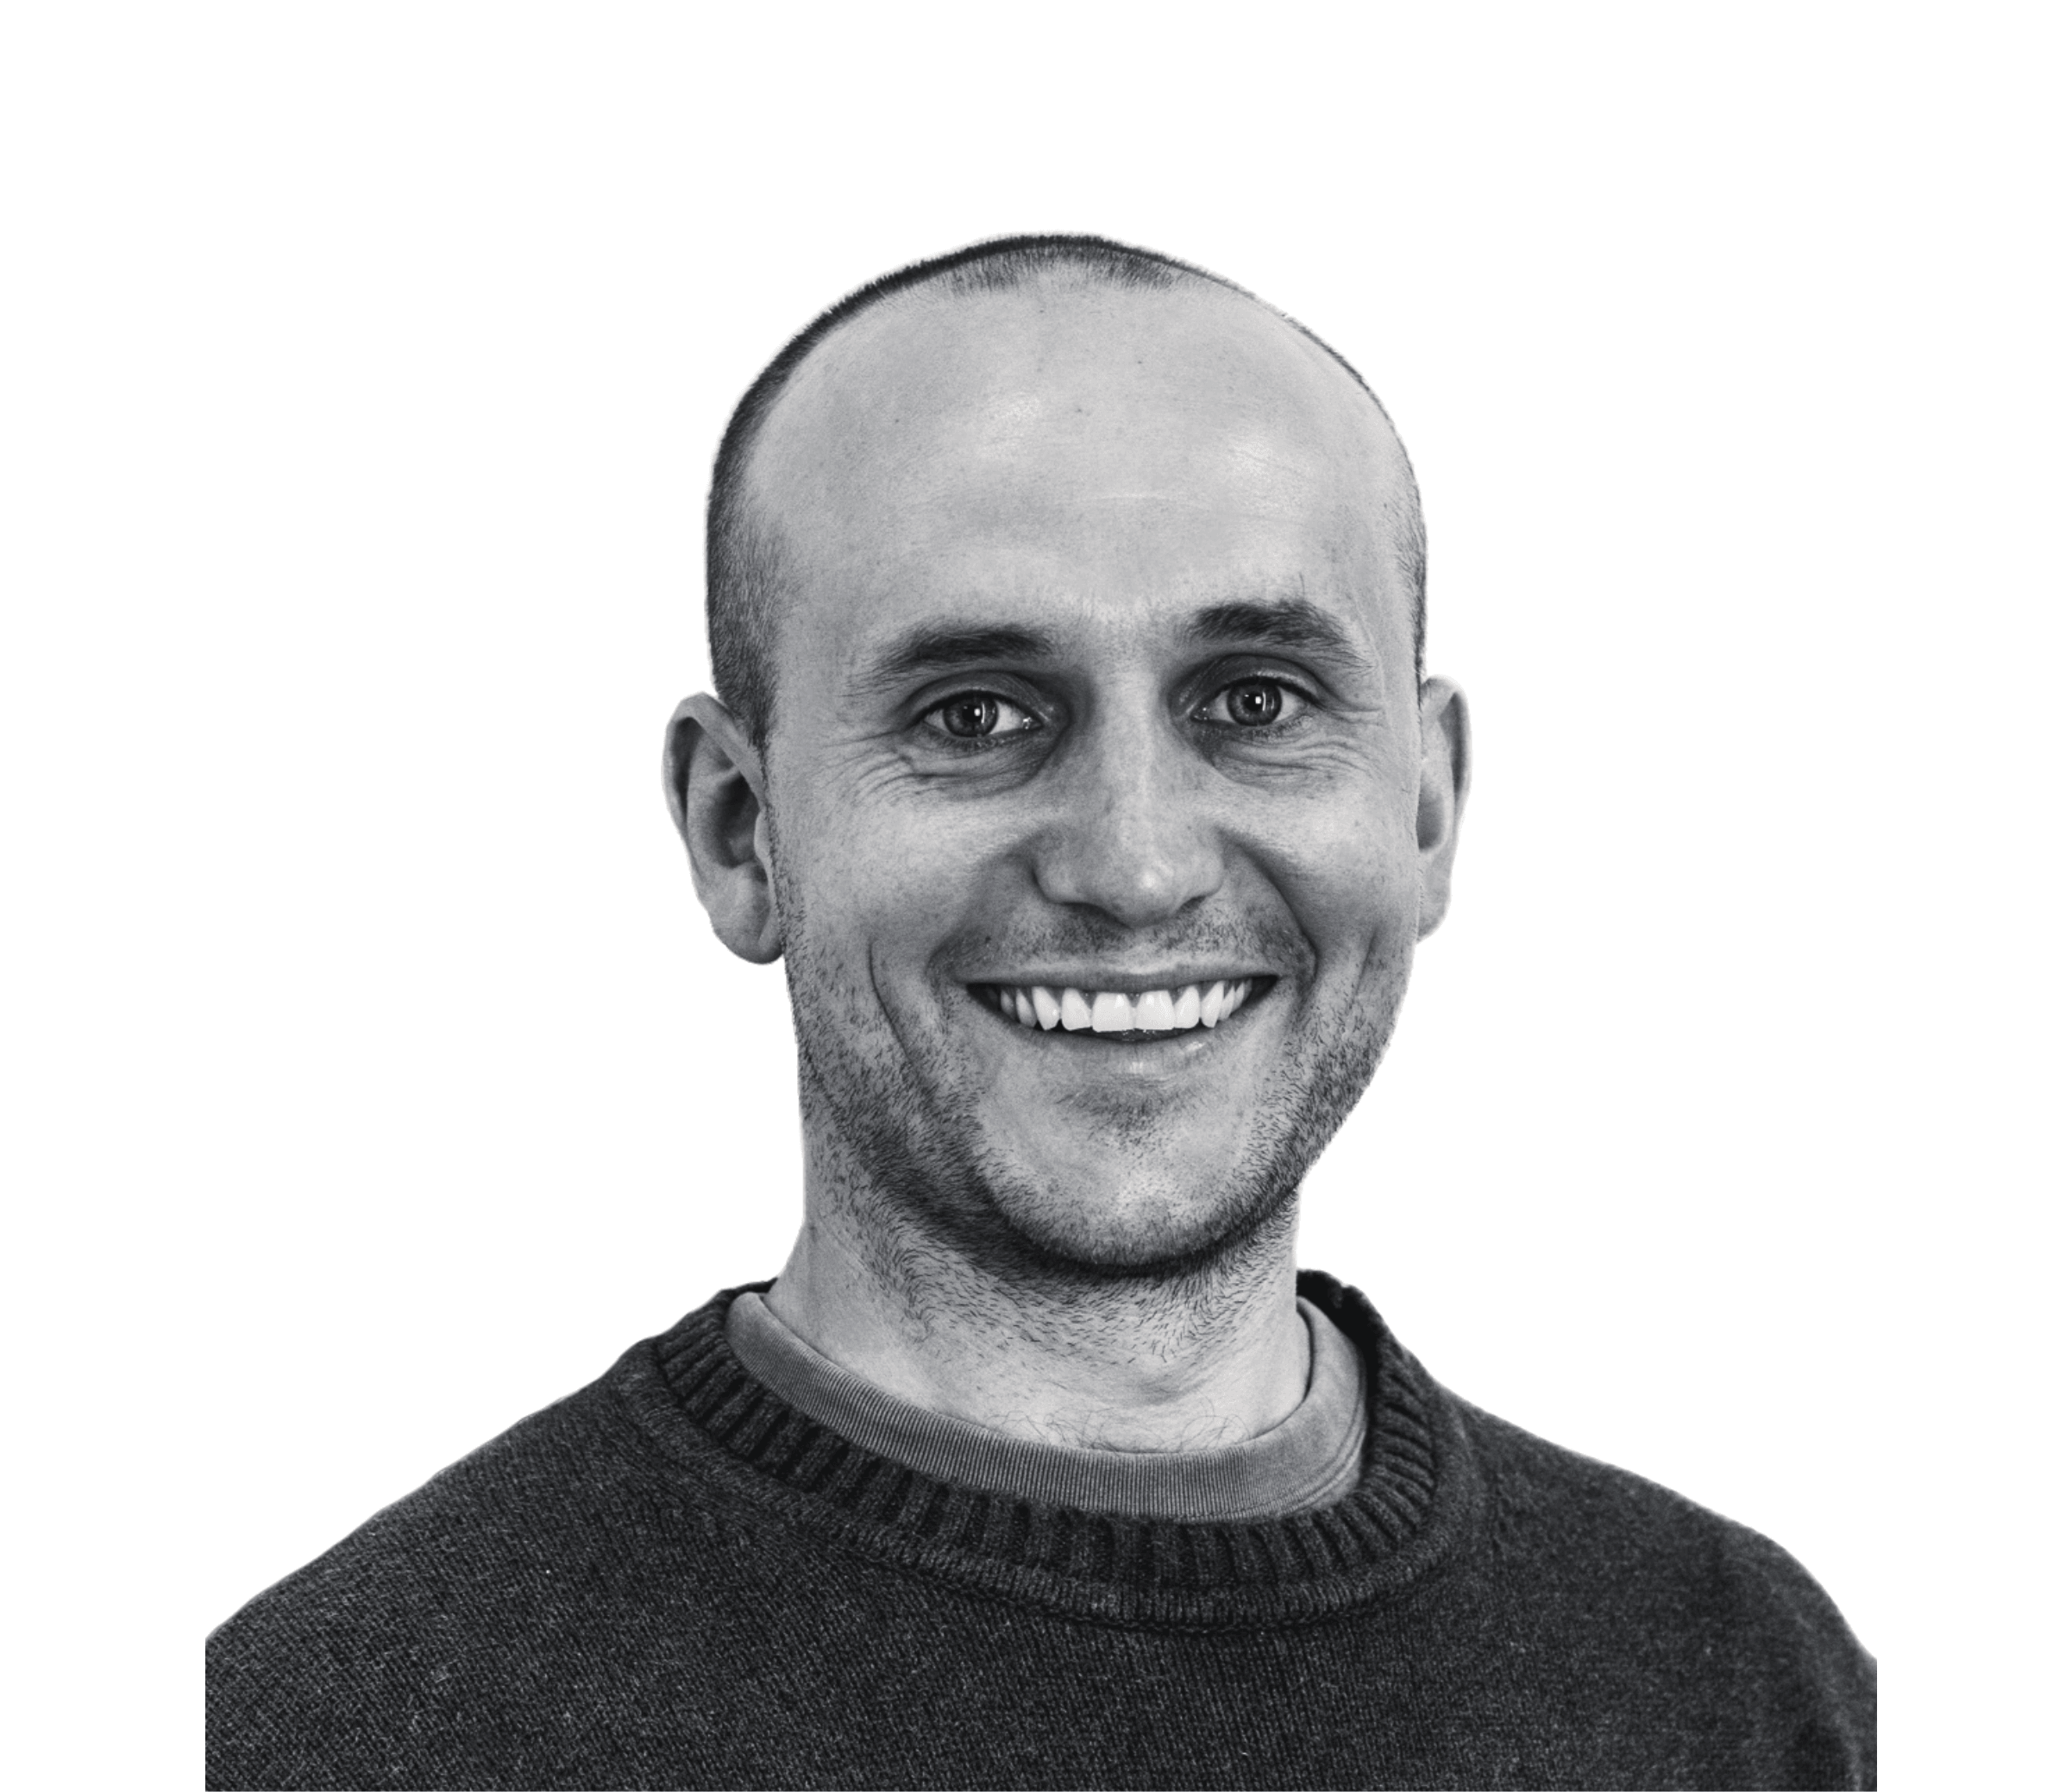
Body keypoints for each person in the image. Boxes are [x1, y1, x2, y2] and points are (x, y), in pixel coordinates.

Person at [207, 236, 1876, 1789]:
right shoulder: (322, 1736)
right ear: (738, 830)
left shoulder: (1750, 1690)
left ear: (1426, 808)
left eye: (1255, 701)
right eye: (977, 715)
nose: (1136, 868)